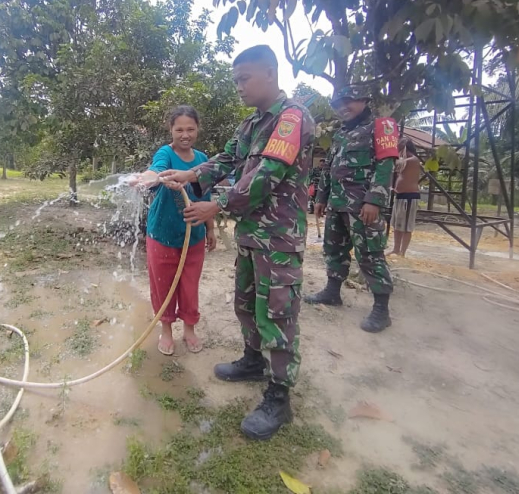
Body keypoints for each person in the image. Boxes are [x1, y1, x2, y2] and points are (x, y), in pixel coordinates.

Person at [159, 45, 315, 441]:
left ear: (269, 72)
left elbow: (266, 174)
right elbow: (226, 161)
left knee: (278, 313)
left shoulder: (290, 119)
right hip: (251, 233)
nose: (239, 87)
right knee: (246, 302)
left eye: (244, 79)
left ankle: (279, 398)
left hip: (278, 236)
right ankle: (252, 360)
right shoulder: (250, 125)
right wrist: (189, 175)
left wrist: (217, 204)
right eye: (236, 81)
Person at [307, 84, 398, 332]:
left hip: (362, 206)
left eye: (348, 101)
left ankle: (381, 309)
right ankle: (332, 292)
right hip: (337, 203)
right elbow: (329, 167)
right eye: (337, 104)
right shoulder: (340, 133)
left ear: (364, 99)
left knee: (369, 253)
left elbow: (385, 165)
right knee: (333, 248)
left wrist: (374, 200)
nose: (342, 108)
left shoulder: (382, 126)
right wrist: (321, 197)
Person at [130, 106, 217, 356]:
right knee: (163, 285)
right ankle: (166, 329)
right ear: (171, 130)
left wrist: (211, 229)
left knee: (190, 285)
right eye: (179, 129)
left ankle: (189, 329)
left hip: (194, 236)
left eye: (190, 129)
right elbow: (156, 168)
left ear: (198, 129)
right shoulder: (165, 153)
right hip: (162, 234)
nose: (185, 134)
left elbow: (206, 194)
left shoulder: (202, 159)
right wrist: (148, 178)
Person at [389, 138, 422, 258]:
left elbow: (397, 163)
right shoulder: (403, 160)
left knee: (407, 226)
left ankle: (403, 252)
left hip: (410, 196)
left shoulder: (413, 160)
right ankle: (396, 249)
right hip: (400, 196)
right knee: (397, 225)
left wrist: (392, 154)